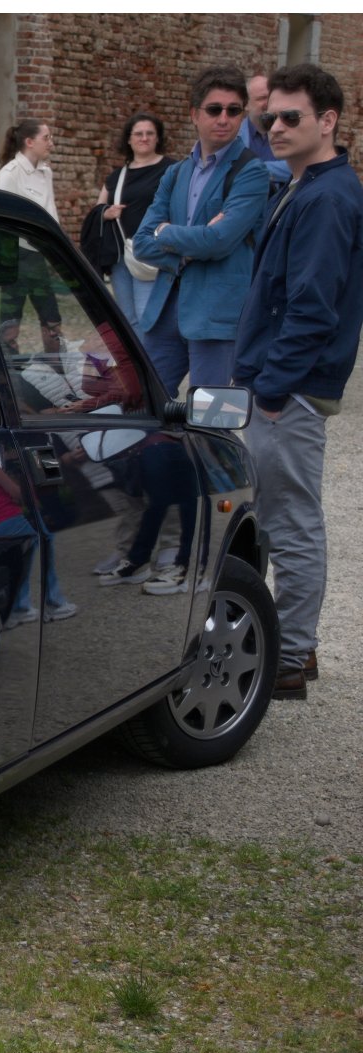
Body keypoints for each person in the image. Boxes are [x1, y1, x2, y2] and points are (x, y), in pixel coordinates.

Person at [232, 63, 363, 701]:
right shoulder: (305, 186)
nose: (276, 127)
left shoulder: (327, 197)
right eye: (270, 118)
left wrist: (274, 390)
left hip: (292, 389)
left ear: (327, 120)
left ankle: (288, 659)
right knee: (283, 515)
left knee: (290, 523)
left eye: (291, 117)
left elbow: (312, 308)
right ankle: (294, 648)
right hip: (285, 383)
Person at [130, 66, 268, 398]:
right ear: (195, 114)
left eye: (234, 110)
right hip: (165, 310)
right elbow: (142, 244)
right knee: (146, 405)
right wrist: (188, 248)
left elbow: (218, 242)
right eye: (214, 109)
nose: (224, 118)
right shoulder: (176, 172)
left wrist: (166, 233)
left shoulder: (252, 173)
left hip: (217, 315)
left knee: (212, 414)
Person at [93, 113, 174, 325]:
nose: (144, 138)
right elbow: (97, 210)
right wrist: (107, 213)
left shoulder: (172, 170)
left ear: (158, 138)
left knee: (145, 315)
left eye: (150, 133)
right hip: (121, 254)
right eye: (138, 134)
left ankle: (148, 349)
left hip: (152, 252)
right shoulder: (117, 176)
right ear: (128, 139)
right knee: (127, 318)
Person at [0, 120, 61, 332]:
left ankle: (57, 352)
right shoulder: (9, 174)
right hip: (17, 255)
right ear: (29, 142)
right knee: (11, 318)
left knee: (51, 316)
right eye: (46, 138)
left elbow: (50, 210)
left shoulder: (46, 172)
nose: (51, 143)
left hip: (39, 253)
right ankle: (7, 352)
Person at [239, 74, 294, 187]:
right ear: (246, 105)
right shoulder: (234, 134)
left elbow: (296, 167)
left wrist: (253, 170)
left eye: (270, 97)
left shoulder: (290, 129)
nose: (268, 103)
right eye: (261, 98)